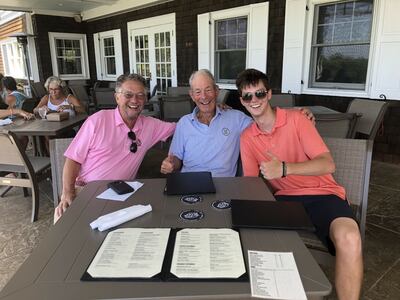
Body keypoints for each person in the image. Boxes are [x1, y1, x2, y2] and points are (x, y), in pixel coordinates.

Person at [237, 68, 362, 300]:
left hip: (323, 194)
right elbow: (251, 183)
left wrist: (284, 169)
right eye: (248, 96)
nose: (254, 100)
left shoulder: (297, 119)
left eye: (260, 93)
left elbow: (328, 164)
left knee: (349, 237)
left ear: (270, 94)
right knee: (255, 238)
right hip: (285, 200)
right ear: (241, 101)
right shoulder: (246, 137)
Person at [54, 73, 176, 223]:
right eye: (128, 95)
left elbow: (181, 127)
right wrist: (68, 193)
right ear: (117, 97)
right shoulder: (97, 121)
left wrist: (203, 113)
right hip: (85, 191)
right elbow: (73, 159)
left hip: (121, 195)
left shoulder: (150, 125)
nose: (135, 100)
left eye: (140, 95)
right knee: (66, 237)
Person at [160, 69, 314, 177]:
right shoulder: (184, 123)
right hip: (189, 183)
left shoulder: (236, 118)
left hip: (224, 186)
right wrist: (172, 163)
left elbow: (265, 119)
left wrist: (294, 112)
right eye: (198, 92)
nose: (204, 97)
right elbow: (177, 159)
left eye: (208, 90)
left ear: (217, 91)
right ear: (192, 95)